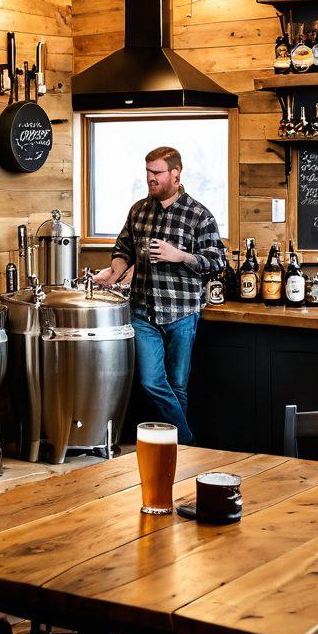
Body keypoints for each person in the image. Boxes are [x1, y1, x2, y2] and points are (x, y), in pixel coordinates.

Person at [93, 146, 225, 444]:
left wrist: (179, 256)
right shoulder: (139, 210)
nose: (150, 178)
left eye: (156, 173)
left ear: (175, 175)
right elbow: (122, 249)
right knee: (151, 382)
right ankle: (188, 441)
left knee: (178, 386)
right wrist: (114, 270)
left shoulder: (198, 215)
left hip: (182, 313)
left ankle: (176, 453)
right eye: (148, 173)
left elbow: (217, 262)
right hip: (143, 312)